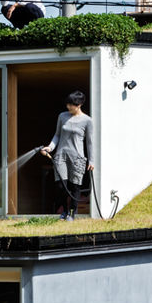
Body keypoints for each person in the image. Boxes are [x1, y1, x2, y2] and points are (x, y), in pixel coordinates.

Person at [41, 90, 94, 220]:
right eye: (68, 104)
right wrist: (50, 147)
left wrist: (91, 161)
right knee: (60, 186)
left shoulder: (87, 121)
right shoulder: (62, 116)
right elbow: (57, 135)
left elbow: (90, 142)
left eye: (71, 105)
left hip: (77, 158)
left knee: (75, 186)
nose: (68, 107)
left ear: (80, 104)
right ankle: (64, 211)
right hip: (61, 156)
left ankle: (72, 213)